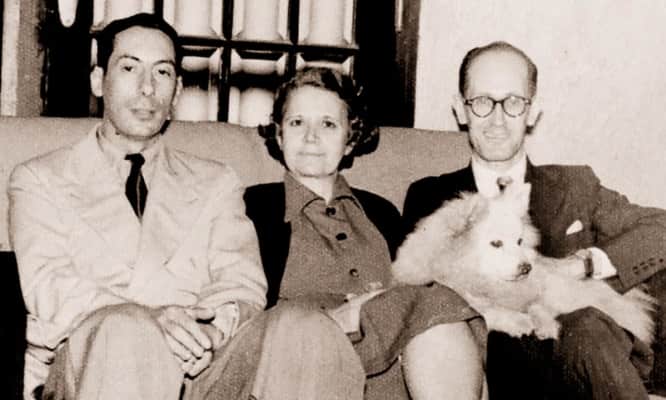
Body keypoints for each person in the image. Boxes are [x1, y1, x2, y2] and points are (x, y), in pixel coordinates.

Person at [10, 14, 366, 400]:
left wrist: (210, 332)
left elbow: (241, 282)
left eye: (162, 72)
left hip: (202, 369)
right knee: (127, 329)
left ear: (177, 90)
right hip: (96, 360)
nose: (147, 88)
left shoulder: (216, 181)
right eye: (130, 68)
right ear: (99, 80)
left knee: (307, 327)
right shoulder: (40, 178)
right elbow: (51, 289)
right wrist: (155, 319)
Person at [402, 40, 666, 399]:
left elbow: (659, 229)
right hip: (506, 369)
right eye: (482, 102)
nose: (497, 120)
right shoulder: (432, 197)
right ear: (461, 110)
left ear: (533, 111)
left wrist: (581, 265)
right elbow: (421, 293)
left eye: (513, 102)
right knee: (580, 323)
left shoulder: (574, 186)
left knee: (586, 323)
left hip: (594, 366)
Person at [244, 67, 486, 400]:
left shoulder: (381, 212)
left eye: (328, 124)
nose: (311, 137)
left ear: (350, 140)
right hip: (299, 363)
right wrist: (333, 319)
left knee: (436, 308)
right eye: (297, 122)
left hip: (388, 372)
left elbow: (418, 289)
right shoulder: (251, 206)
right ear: (280, 135)